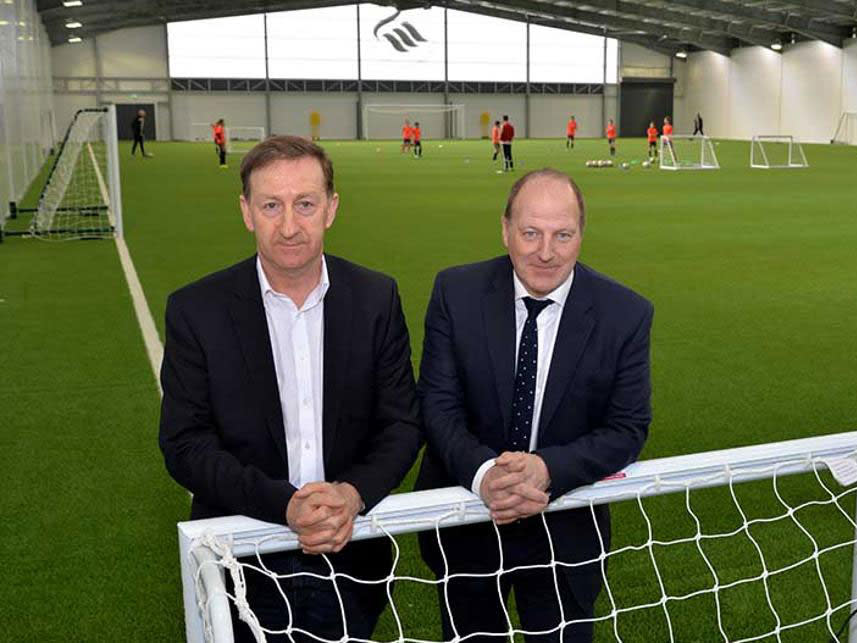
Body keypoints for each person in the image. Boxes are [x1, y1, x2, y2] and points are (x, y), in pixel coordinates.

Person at [159, 135, 422, 643]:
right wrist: (284, 505)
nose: (288, 226)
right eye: (271, 205)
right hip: (239, 556)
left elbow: (402, 422)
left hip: (352, 554)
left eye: (305, 204)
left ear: (331, 208)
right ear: (246, 211)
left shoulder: (375, 298)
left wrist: (352, 493)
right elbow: (184, 443)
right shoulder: (197, 310)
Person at [415, 168, 653, 643]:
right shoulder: (455, 293)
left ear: (581, 235)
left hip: (566, 530)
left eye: (562, 235)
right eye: (531, 233)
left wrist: (546, 469)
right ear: (505, 230)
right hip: (467, 527)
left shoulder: (625, 313)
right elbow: (437, 405)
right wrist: (487, 476)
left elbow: (627, 428)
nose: (546, 252)